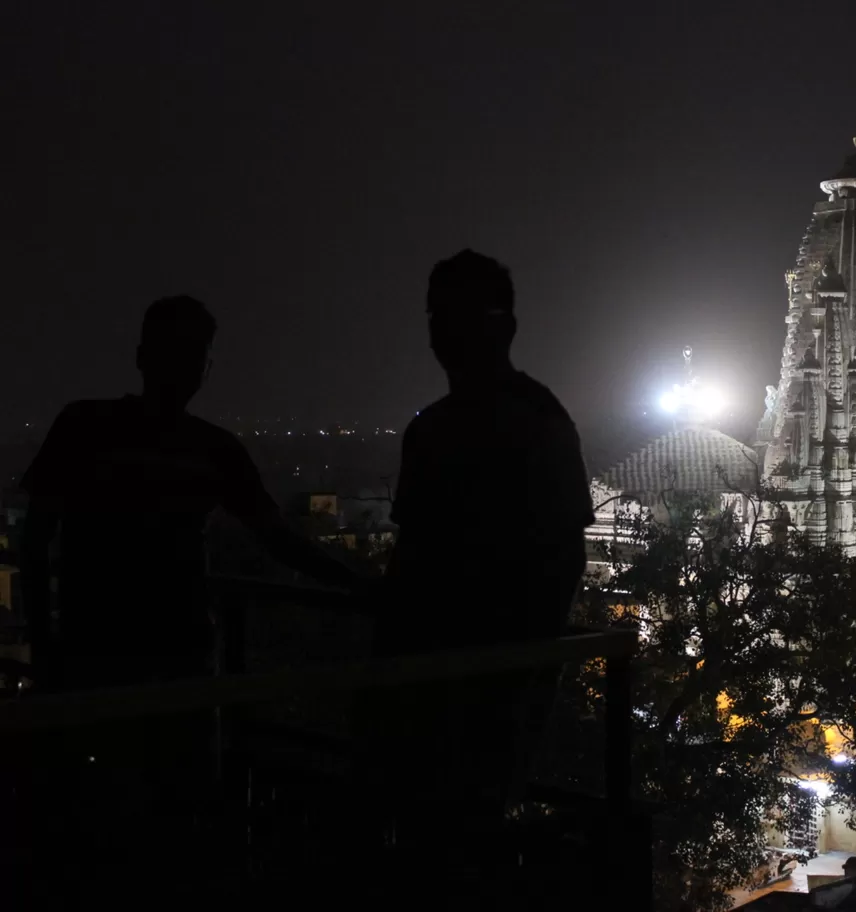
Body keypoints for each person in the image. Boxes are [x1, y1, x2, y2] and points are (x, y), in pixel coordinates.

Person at [18, 296, 361, 898]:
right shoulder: (206, 448)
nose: (187, 367)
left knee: (114, 822)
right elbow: (278, 539)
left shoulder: (90, 426)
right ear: (150, 357)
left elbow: (37, 537)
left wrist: (47, 646)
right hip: (160, 664)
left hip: (120, 659)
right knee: (160, 821)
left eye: (193, 356)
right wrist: (359, 585)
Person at [361, 250, 593, 877]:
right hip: (440, 675)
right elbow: (414, 560)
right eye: (438, 315)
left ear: (504, 326)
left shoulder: (532, 423)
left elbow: (560, 557)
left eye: (463, 316)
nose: (444, 331)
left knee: (460, 845)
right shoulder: (438, 428)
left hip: (489, 679)